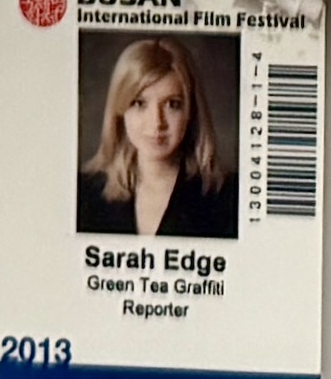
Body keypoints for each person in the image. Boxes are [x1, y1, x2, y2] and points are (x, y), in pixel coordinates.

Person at [80, 39, 234, 241]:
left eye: (172, 104)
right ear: (120, 111)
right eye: (139, 103)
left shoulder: (228, 196)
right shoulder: (83, 192)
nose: (157, 123)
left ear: (191, 112)